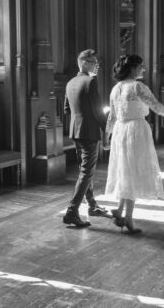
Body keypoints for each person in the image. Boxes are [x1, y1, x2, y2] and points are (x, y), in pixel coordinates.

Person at [104, 54, 164, 234]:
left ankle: (119, 210)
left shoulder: (115, 89)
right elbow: (159, 108)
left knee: (125, 170)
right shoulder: (137, 87)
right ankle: (128, 218)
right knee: (134, 172)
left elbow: (112, 117)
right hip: (136, 131)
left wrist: (107, 136)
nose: (143, 69)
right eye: (141, 66)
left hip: (120, 132)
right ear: (133, 68)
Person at [63, 49, 109, 227]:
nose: (96, 65)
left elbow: (67, 110)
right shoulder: (90, 81)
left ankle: (92, 205)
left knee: (84, 170)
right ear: (83, 63)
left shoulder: (70, 82)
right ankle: (72, 211)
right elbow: (98, 110)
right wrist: (108, 130)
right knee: (86, 172)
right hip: (89, 132)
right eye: (93, 62)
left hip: (75, 132)